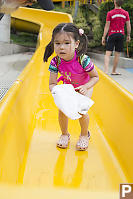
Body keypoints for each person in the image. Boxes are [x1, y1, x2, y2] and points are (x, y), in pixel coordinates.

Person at [43, 23, 99, 151]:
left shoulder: (82, 60)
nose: (61, 47)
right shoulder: (55, 61)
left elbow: (95, 77)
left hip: (85, 86)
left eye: (67, 43)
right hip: (68, 87)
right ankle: (64, 134)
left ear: (76, 44)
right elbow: (52, 84)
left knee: (81, 110)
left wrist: (86, 87)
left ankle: (84, 135)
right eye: (57, 43)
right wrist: (57, 91)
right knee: (62, 110)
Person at [102, 0, 131, 75]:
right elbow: (128, 25)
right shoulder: (126, 13)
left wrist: (103, 37)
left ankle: (106, 71)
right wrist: (128, 35)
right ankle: (113, 71)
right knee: (117, 54)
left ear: (115, 3)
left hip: (112, 34)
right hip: (121, 34)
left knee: (108, 53)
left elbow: (107, 26)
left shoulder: (110, 13)